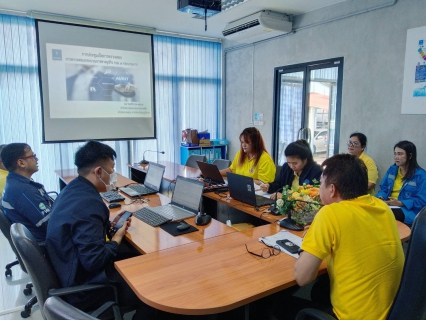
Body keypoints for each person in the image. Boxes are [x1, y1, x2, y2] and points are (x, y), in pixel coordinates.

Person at [45, 141, 156, 318]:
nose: (114, 174)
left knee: (138, 256)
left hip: (68, 269)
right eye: (112, 169)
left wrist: (107, 228)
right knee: (156, 282)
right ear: (98, 171)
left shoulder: (72, 189)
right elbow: (94, 260)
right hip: (86, 288)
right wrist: (116, 239)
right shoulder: (89, 203)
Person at [293, 154, 404, 319]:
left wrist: (310, 240)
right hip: (390, 311)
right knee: (321, 289)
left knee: (280, 304)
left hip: (352, 317)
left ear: (332, 189)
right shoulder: (382, 207)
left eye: (321, 183)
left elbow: (302, 278)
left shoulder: (330, 214)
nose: (319, 188)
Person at [1, 143, 52, 241]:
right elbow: (51, 225)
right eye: (33, 156)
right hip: (51, 246)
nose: (37, 159)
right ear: (21, 163)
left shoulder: (13, 182)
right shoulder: (23, 191)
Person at [376, 140, 426, 226]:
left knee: (385, 215)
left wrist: (400, 203)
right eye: (395, 154)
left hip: (408, 211)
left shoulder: (421, 175)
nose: (396, 157)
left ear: (410, 155)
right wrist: (380, 198)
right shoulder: (392, 170)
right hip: (389, 204)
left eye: (400, 154)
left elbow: (421, 201)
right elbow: (383, 188)